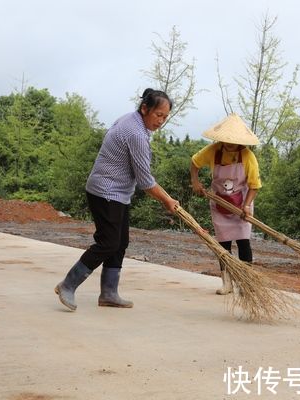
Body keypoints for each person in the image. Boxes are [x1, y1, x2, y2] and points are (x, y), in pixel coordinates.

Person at [55, 88, 179, 311]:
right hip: (106, 192)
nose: (161, 121)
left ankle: (109, 294)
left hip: (118, 193)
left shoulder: (132, 121)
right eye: (158, 115)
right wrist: (168, 200)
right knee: (108, 243)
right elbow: (145, 181)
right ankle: (68, 285)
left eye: (165, 117)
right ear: (144, 108)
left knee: (120, 243)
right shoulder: (136, 134)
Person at [190, 113, 261, 295]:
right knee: (223, 246)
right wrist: (195, 182)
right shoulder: (213, 150)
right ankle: (226, 283)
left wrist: (246, 206)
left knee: (244, 242)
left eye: (233, 140)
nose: (229, 143)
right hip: (220, 203)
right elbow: (194, 162)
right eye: (226, 139)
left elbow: (254, 186)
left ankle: (247, 284)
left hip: (241, 204)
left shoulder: (247, 156)